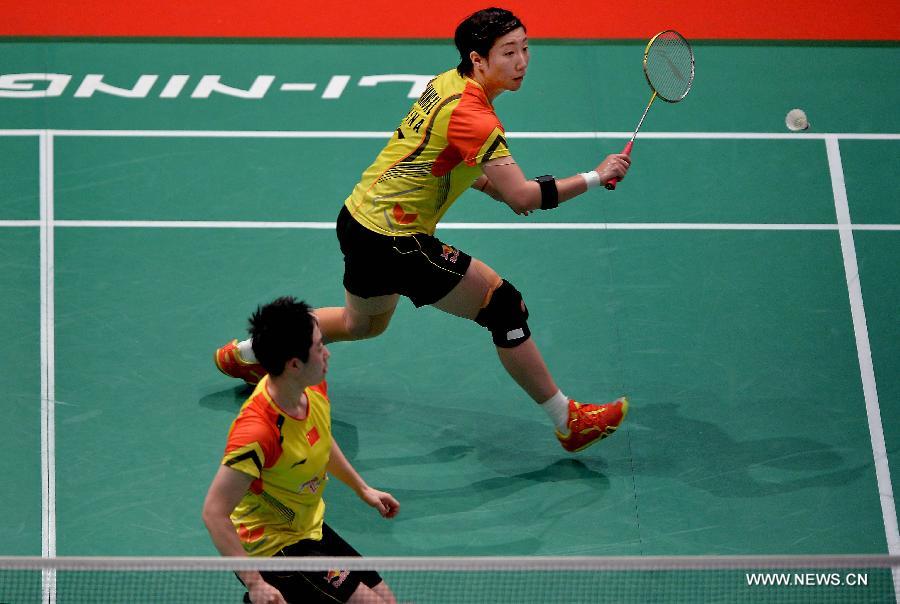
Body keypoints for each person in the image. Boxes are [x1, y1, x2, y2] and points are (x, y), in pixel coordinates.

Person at [214, 7, 631, 453]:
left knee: (362, 324)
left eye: (525, 48)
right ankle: (568, 420)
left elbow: (442, 157)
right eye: (508, 52)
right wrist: (594, 176)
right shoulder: (476, 116)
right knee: (503, 306)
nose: (522, 61)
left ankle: (246, 353)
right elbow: (524, 197)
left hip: (358, 220)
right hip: (397, 239)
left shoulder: (445, 84)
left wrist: (491, 185)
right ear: (478, 60)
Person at [203, 296, 400, 604]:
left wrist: (362, 488)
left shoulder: (310, 386)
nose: (327, 354)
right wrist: (254, 582)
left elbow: (319, 439)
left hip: (309, 527)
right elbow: (214, 513)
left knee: (388, 600)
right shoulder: (258, 432)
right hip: (272, 546)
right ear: (294, 364)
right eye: (319, 347)